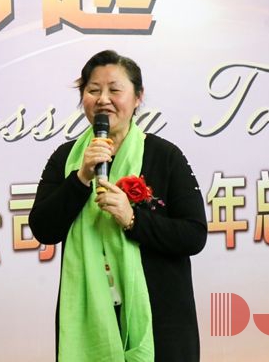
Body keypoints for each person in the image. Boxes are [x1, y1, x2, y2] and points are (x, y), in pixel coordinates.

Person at [29, 50, 207, 362]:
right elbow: (44, 229)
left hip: (160, 319)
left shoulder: (165, 156)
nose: (103, 99)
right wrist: (81, 178)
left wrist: (133, 219)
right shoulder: (66, 158)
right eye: (93, 90)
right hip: (88, 318)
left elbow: (194, 235)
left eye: (114, 90)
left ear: (138, 97)